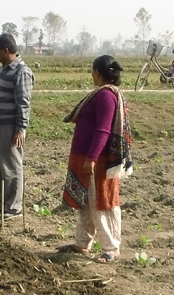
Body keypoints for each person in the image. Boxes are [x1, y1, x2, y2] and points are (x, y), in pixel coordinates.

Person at [57, 56, 133, 263]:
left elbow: (103, 130)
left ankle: (111, 247)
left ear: (98, 72)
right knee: (85, 202)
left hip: (97, 159)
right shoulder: (101, 94)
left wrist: (91, 157)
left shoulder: (106, 96)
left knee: (102, 202)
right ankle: (82, 243)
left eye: (92, 71)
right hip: (85, 156)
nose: (92, 75)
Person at [0, 33, 34, 219]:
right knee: (0, 167)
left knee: (12, 167)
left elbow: (23, 103)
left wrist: (20, 129)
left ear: (6, 50)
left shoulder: (21, 71)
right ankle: (3, 205)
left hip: (11, 127)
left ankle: (14, 208)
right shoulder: (2, 71)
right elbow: (0, 99)